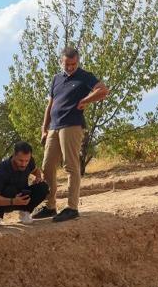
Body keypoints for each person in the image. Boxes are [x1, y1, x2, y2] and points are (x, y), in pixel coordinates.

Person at [34, 46, 109, 222]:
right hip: (54, 126)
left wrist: (85, 100)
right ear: (61, 62)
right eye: (67, 64)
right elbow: (50, 105)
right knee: (47, 166)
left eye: (73, 64)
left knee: (71, 166)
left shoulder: (85, 76)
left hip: (72, 125)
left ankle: (72, 207)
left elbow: (103, 90)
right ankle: (50, 206)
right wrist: (44, 128)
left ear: (78, 62)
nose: (70, 67)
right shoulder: (56, 79)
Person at [0, 141, 49, 229]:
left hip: (23, 197)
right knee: (10, 189)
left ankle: (25, 212)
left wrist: (38, 178)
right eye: (21, 160)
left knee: (43, 187)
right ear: (14, 155)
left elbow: (36, 170)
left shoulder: (30, 162)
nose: (24, 164)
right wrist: (13, 201)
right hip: (8, 200)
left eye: (27, 161)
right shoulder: (1, 170)